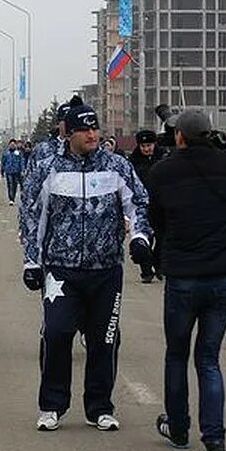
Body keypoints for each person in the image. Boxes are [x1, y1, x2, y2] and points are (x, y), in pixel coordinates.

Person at [20, 103, 151, 432]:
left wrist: (139, 237)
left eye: (95, 129)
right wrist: (32, 261)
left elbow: (138, 202)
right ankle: (52, 405)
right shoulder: (48, 168)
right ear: (69, 132)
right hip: (61, 271)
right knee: (57, 333)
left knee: (104, 340)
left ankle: (99, 407)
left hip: (106, 271)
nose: (92, 135)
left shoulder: (116, 166)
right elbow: (33, 215)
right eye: (85, 130)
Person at [146, 111, 226, 451]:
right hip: (222, 278)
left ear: (180, 137)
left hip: (182, 277)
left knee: (176, 355)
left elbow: (156, 218)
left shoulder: (164, 171)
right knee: (209, 359)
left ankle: (178, 428)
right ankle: (215, 439)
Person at [129, 130, 165, 283]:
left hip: (162, 203)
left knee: (162, 238)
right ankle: (146, 270)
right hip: (142, 205)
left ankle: (159, 263)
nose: (146, 149)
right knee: (144, 239)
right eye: (143, 146)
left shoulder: (163, 157)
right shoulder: (133, 161)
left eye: (149, 145)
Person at [1, 139, 24, 205]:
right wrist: (2, 170)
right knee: (10, 184)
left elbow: (21, 162)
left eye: (13, 145)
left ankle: (13, 197)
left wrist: (22, 170)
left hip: (16, 171)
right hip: (8, 171)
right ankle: (11, 199)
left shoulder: (18, 153)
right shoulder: (6, 153)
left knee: (15, 185)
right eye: (11, 145)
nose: (12, 146)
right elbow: (3, 162)